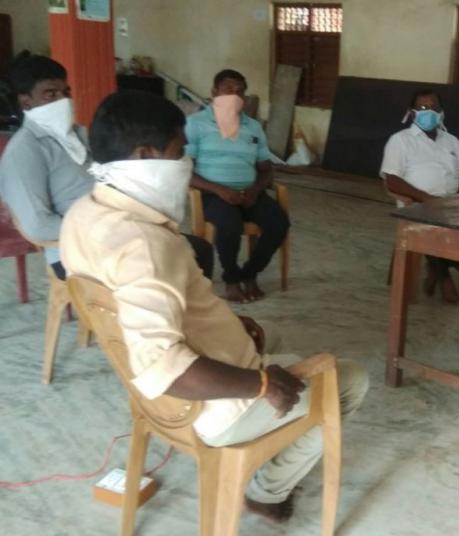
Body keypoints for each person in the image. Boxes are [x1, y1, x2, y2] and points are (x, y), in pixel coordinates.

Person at [60, 91, 369, 523]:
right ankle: (268, 488)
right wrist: (261, 384)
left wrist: (225, 323)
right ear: (146, 155)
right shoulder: (144, 245)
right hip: (202, 406)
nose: (187, 161)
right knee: (350, 379)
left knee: (270, 332)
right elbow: (165, 368)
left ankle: (271, 429)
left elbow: (142, 318)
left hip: (148, 392)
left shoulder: (83, 213)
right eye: (179, 150)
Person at [0, 54, 213, 280]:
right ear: (26, 102)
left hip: (118, 225)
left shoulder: (79, 134)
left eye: (66, 93)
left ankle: (188, 309)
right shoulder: (24, 152)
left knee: (194, 250)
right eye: (51, 94)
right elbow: (38, 227)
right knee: (166, 259)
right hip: (78, 248)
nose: (63, 101)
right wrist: (108, 226)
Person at [186, 69, 289, 303]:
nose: (235, 95)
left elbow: (265, 168)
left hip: (249, 193)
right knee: (229, 224)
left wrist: (254, 190)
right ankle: (232, 279)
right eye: (228, 90)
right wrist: (219, 190)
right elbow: (186, 170)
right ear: (213, 93)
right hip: (212, 193)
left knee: (278, 223)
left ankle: (250, 274)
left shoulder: (253, 127)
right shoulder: (196, 124)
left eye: (240, 91)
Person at [380, 89, 459, 304]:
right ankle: (444, 278)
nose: (428, 112)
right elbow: (392, 180)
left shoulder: (451, 141)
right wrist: (427, 199)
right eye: (422, 108)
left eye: (433, 108)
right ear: (412, 113)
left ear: (441, 112)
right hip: (417, 203)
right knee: (432, 223)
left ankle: (434, 270)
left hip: (450, 203)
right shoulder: (400, 140)